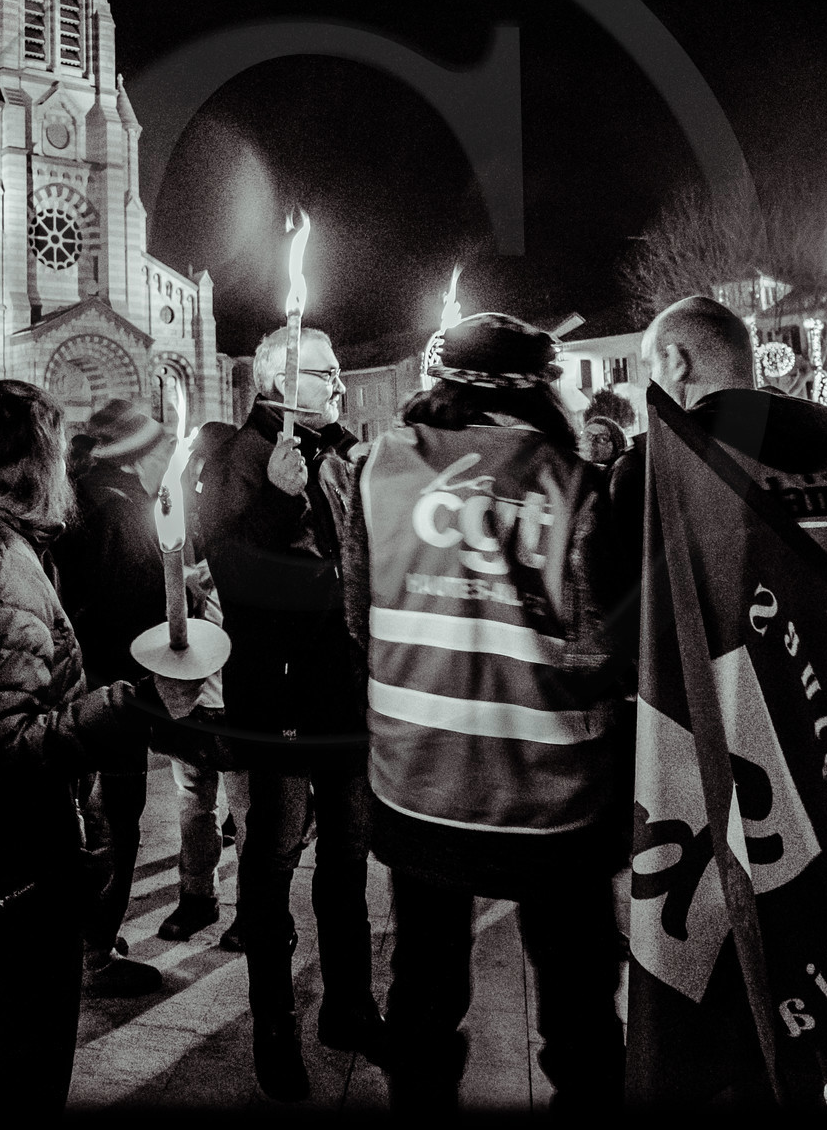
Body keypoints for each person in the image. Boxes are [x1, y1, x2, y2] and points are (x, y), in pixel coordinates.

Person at [632, 294, 827, 1113]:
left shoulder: (671, 472)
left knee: (752, 990)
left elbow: (633, 634)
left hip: (739, 785)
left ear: (678, 364)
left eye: (648, 366)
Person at [339, 313, 630, 1113]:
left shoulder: (377, 469)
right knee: (578, 1018)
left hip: (419, 784)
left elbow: (360, 620)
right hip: (552, 800)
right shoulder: (574, 484)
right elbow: (606, 642)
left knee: (424, 1006)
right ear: (539, 389)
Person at [0, 380, 204, 1120]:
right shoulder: (1, 573)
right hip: (17, 858)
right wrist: (127, 705)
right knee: (33, 1046)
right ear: (34, 466)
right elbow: (11, 744)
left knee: (21, 1031)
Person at [202, 325, 386, 1101]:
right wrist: (276, 504)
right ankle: (274, 1022)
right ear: (279, 382)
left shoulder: (340, 451)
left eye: (341, 374)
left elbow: (357, 565)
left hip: (344, 695)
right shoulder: (238, 457)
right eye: (325, 375)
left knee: (347, 862)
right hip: (276, 695)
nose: (340, 387)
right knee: (272, 861)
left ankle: (348, 1003)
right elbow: (232, 569)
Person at [50, 399, 173, 998]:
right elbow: (133, 609)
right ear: (140, 455)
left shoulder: (77, 497)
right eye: (162, 448)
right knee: (115, 822)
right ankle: (94, 953)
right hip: (112, 690)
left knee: (87, 816)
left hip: (73, 687)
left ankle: (83, 938)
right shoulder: (122, 513)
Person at [157, 419, 249, 947]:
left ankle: (252, 908)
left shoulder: (246, 518)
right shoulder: (178, 517)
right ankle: (197, 896)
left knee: (244, 802)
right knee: (194, 800)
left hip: (237, 692)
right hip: (192, 688)